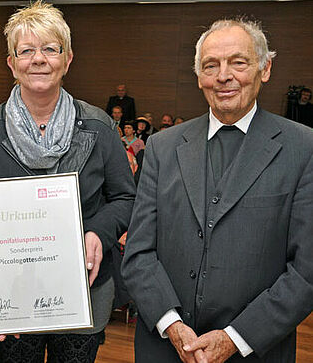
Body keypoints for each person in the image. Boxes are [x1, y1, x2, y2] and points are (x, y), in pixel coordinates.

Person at [122, 18, 313, 363]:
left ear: (264, 69)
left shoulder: (303, 148)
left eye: (238, 62)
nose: (223, 76)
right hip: (165, 349)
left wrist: (235, 338)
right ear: (199, 77)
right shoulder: (163, 148)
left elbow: (306, 270)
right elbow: (138, 253)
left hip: (255, 351)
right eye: (211, 65)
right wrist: (171, 324)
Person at [0, 0, 136, 362]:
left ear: (67, 58)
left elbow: (125, 198)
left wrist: (97, 233)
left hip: (84, 289)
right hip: (12, 296)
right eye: (26, 50)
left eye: (50, 49)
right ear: (11, 63)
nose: (38, 59)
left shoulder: (99, 126)